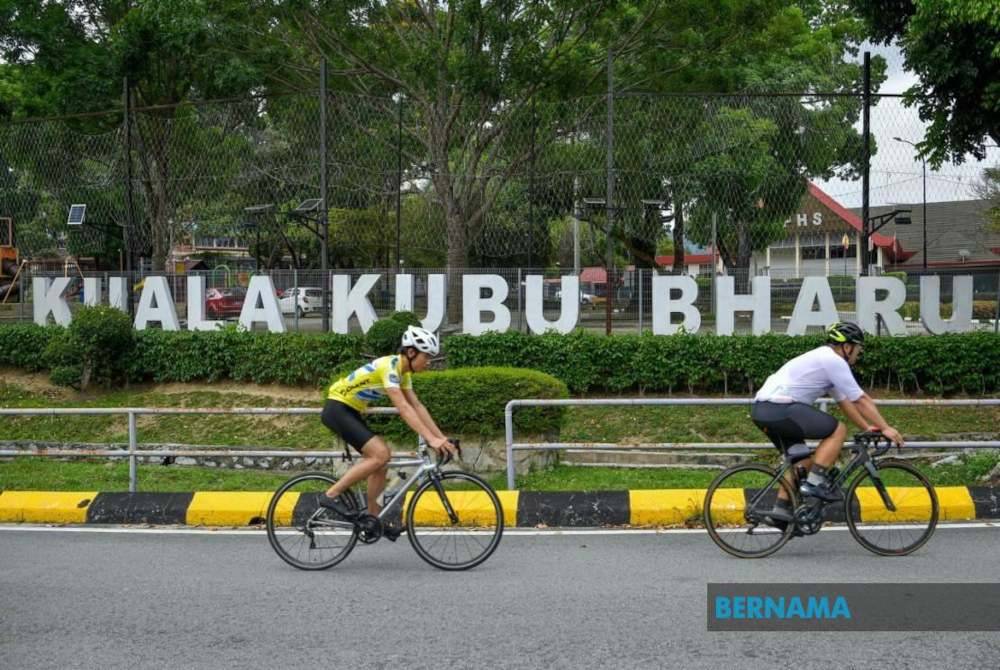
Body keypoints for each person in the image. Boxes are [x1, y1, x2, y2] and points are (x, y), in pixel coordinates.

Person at [750, 321, 904, 526]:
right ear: (847, 347)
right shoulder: (833, 361)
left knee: (802, 463)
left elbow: (846, 403)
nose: (859, 353)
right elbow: (861, 399)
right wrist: (886, 427)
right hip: (780, 408)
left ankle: (780, 511)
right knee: (838, 430)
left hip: (764, 410)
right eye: (858, 348)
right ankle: (815, 484)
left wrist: (867, 428)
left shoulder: (825, 360)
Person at [318, 325, 456, 539]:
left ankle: (374, 522)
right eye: (427, 356)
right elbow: (403, 408)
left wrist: (440, 438)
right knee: (381, 454)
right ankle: (331, 495)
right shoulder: (389, 366)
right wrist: (431, 440)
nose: (429, 362)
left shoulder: (403, 373)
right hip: (337, 408)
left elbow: (418, 406)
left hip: (351, 411)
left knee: (380, 464)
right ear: (411, 353)